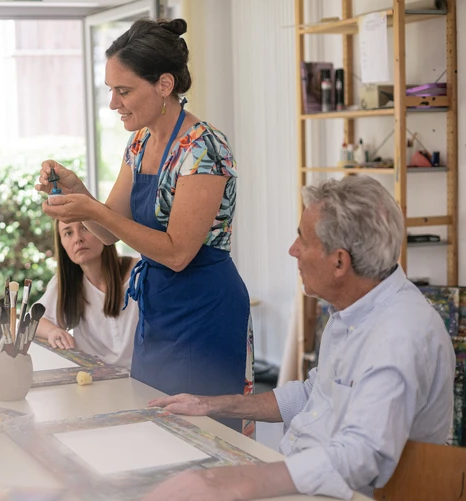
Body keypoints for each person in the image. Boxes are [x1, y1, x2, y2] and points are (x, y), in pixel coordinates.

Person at [144, 176, 456, 501]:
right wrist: (213, 404)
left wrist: (241, 481)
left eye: (302, 240)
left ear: (339, 262)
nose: (292, 250)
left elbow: (363, 456)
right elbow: (314, 395)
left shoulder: (399, 336)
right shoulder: (354, 308)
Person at [36, 18, 252, 431]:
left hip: (204, 312)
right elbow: (107, 233)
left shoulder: (205, 148)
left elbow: (177, 253)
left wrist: (93, 210)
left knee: (203, 436)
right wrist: (78, 192)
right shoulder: (139, 143)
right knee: (152, 426)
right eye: (110, 90)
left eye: (124, 90)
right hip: (157, 310)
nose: (113, 103)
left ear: (164, 85)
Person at [35, 220, 139, 368]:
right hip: (93, 377)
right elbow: (34, 320)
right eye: (68, 233)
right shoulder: (65, 282)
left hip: (143, 377)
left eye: (85, 228)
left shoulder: (140, 273)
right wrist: (53, 331)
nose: (78, 238)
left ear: (103, 230)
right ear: (62, 243)